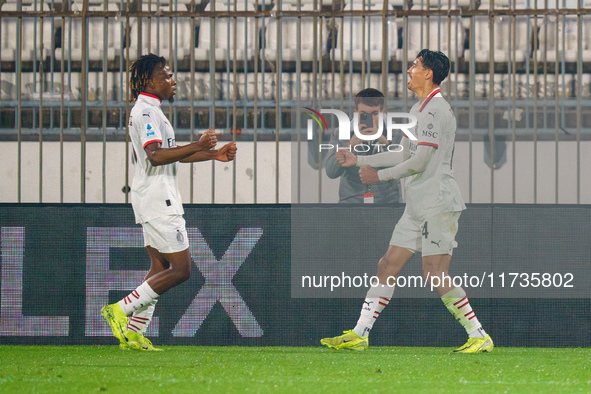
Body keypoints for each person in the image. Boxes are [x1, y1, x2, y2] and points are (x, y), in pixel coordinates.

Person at [320, 49, 493, 353]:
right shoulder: (418, 109)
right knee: (387, 264)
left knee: (434, 273)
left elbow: (420, 161)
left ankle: (479, 335)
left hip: (437, 203)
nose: (409, 70)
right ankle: (361, 334)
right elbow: (402, 153)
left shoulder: (436, 110)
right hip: (417, 206)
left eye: (415, 66)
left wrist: (379, 176)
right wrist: (359, 158)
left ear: (429, 73)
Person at [100, 53, 237, 351]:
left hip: (150, 196)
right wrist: (200, 144)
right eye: (166, 75)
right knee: (181, 270)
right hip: (159, 199)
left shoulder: (151, 111)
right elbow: (156, 155)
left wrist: (213, 154)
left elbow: (170, 152)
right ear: (149, 80)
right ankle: (120, 310)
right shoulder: (147, 113)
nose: (173, 81)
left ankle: (135, 332)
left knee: (160, 266)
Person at [324, 88, 403, 204]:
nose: (369, 118)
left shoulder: (396, 133)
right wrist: (350, 146)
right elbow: (331, 172)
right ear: (356, 113)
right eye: (364, 114)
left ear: (383, 112)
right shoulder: (341, 133)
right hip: (352, 203)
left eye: (374, 114)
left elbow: (404, 167)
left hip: (388, 203)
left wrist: (384, 143)